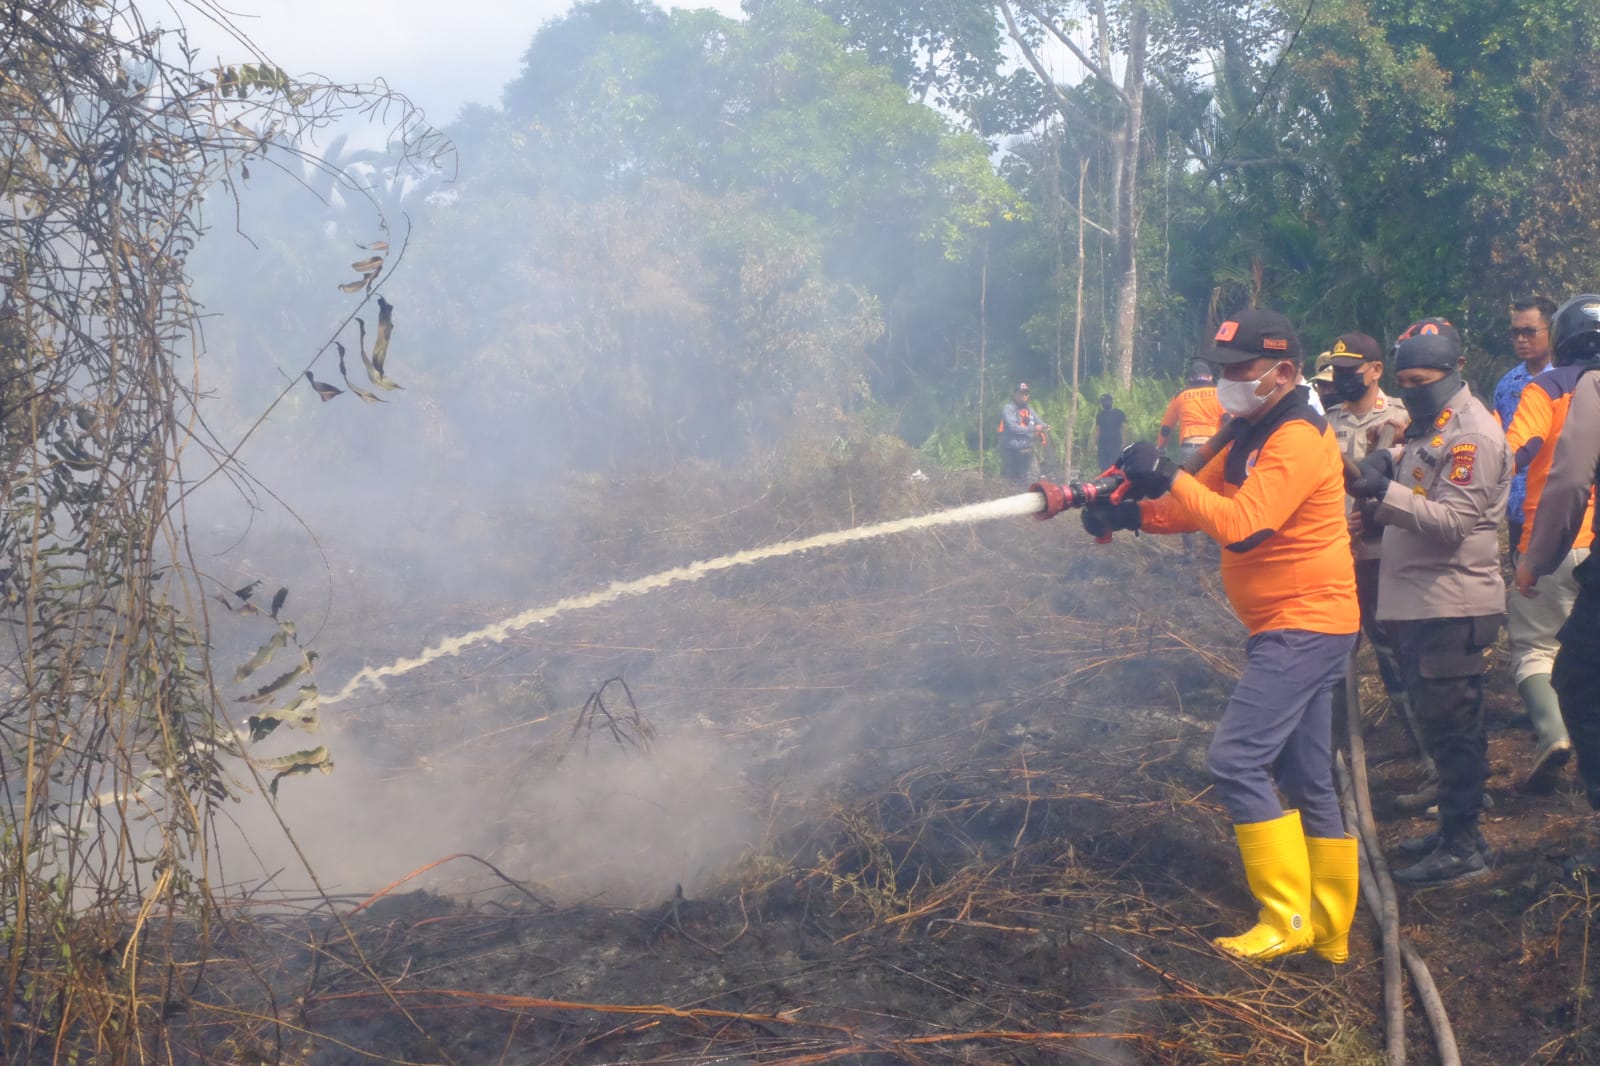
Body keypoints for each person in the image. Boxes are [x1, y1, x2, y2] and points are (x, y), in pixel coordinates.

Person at [1080, 309, 1360, 963]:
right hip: (1301, 623)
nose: (1227, 379)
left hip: (1304, 623)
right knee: (1308, 777)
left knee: (1235, 760)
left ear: (1284, 371)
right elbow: (1191, 506)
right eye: (1222, 367)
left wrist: (1168, 473)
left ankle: (1285, 918)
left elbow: (1243, 526)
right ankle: (1330, 931)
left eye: (1240, 368)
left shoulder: (1296, 435)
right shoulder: (1250, 427)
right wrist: (1128, 513)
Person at [1347, 317, 1511, 885]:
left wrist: (1383, 492)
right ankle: (1453, 832)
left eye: (1422, 380)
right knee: (1442, 726)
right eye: (1405, 381)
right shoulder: (1433, 426)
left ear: (1453, 370)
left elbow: (1452, 521)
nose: (1413, 390)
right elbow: (1422, 471)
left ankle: (1464, 845)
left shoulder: (1473, 436)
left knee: (1454, 727)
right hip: (1421, 601)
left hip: (1451, 602)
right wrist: (1388, 462)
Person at [1323, 333, 1427, 787]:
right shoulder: (1324, 424)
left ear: (1376, 370)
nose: (1344, 378)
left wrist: (1378, 516)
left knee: (1396, 655)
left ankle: (1427, 755)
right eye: (1338, 370)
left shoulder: (1405, 417)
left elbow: (1421, 488)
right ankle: (1331, 758)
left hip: (1385, 557)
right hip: (1334, 558)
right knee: (1334, 657)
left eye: (1352, 370)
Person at [1516, 295, 1600, 845]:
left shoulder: (1584, 384)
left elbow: (1567, 480)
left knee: (1573, 679)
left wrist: (1535, 561)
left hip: (1574, 546)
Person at [1493, 297, 1558, 552]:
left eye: (1530, 332)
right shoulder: (1508, 383)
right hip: (1518, 508)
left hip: (1558, 505)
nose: (1521, 339)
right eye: (1515, 333)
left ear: (1552, 331)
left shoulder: (1569, 379)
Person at [1158, 360, 1228, 467]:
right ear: (1210, 377)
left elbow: (1166, 428)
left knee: (1186, 477)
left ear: (1190, 379)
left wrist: (1160, 447)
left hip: (1189, 448)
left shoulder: (1180, 395)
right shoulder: (1219, 393)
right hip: (1213, 447)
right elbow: (1228, 419)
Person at [998, 382, 1048, 484]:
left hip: (1027, 451)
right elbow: (1014, 428)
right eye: (1021, 393)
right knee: (1011, 482)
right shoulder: (1009, 409)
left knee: (1032, 478)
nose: (1024, 396)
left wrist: (1045, 426)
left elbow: (1039, 422)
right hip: (1011, 452)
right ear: (1015, 394)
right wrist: (1033, 429)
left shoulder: (1029, 410)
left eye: (1026, 393)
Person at [1094, 393, 1126, 472]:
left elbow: (1123, 428)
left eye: (1107, 401)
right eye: (1104, 401)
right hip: (1103, 444)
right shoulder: (1100, 415)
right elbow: (1098, 429)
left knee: (1115, 464)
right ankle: (1105, 478)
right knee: (1103, 465)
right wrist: (1095, 443)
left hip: (1115, 443)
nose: (1105, 403)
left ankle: (1114, 478)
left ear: (1111, 401)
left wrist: (1124, 441)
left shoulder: (1119, 413)